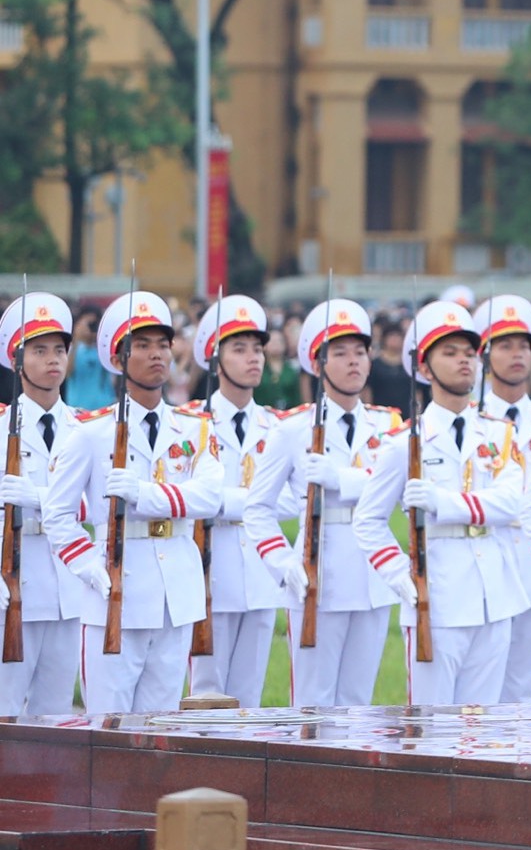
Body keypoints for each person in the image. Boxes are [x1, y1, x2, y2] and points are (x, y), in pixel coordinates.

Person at [42, 291, 222, 715]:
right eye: (142, 345)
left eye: (163, 344)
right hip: (115, 590)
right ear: (119, 358)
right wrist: (89, 567)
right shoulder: (91, 433)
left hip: (175, 592)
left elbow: (210, 496)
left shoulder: (193, 429)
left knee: (159, 726)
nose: (157, 354)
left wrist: (145, 494)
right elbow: (58, 514)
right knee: (109, 726)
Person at [352, 300, 531, 706]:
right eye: (449, 353)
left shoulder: (499, 436)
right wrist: (400, 574)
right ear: (425, 367)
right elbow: (367, 521)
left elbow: (513, 502)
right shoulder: (404, 444)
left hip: (494, 594)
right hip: (437, 596)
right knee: (433, 726)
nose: (465, 362)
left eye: (470, 353)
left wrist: (443, 501)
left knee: (483, 727)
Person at [244, 298, 404, 707]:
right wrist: (282, 564)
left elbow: (403, 489)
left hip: (372, 571)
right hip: (319, 572)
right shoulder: (293, 429)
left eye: (360, 352)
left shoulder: (387, 424)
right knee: (313, 703)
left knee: (358, 700)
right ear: (317, 365)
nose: (354, 362)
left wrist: (344, 480)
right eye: (340, 353)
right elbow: (258, 508)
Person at [187, 294, 291, 707]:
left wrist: (231, 502)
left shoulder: (277, 426)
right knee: (205, 694)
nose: (254, 358)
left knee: (248, 697)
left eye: (258, 349)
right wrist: (251, 503)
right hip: (210, 570)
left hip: (262, 571)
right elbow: (190, 498)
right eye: (240, 348)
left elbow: (295, 499)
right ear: (215, 358)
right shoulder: (193, 422)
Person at [0, 294, 86, 717]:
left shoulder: (86, 429)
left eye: (59, 349)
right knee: (6, 709)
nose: (53, 360)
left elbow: (96, 505)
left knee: (54, 716)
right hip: (13, 582)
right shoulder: (2, 428)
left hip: (67, 586)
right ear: (17, 361)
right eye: (39, 351)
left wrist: (38, 499)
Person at [473, 295, 531, 703]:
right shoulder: (468, 419)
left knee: (521, 688)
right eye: (505, 345)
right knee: (477, 691)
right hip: (483, 563)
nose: (518, 354)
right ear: (485, 355)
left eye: (524, 345)